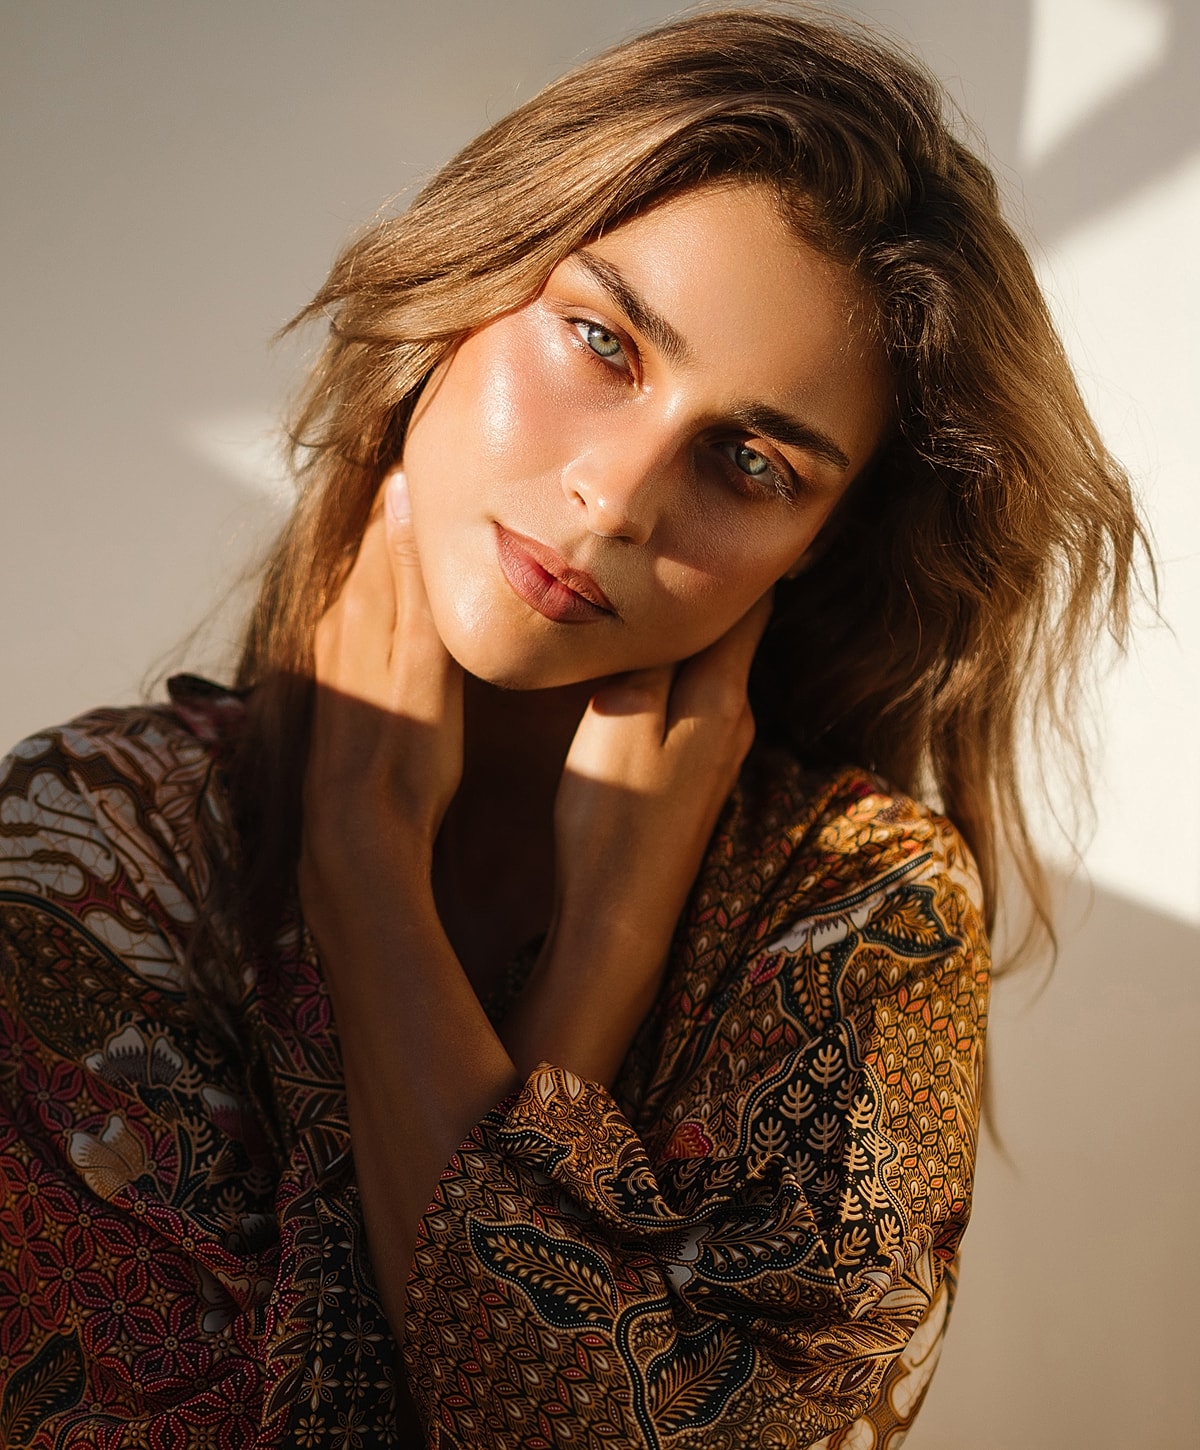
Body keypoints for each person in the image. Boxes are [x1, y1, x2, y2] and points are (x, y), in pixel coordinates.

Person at [0, 7, 1142, 1447]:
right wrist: (418, 902)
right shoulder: (90, 843)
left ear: (819, 548)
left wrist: (551, 928)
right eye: (601, 339)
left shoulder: (858, 904)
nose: (618, 496)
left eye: (750, 459)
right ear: (466, 285)